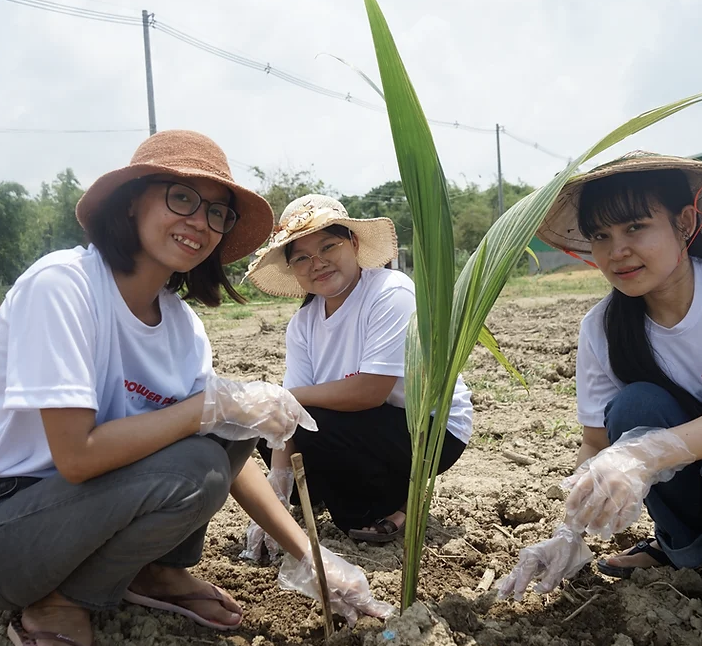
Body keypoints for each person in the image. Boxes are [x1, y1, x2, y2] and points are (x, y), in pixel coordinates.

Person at [0, 132, 392, 646]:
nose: (199, 223)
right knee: (194, 461)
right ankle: (60, 600)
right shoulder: (65, 286)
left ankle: (157, 572)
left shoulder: (183, 327)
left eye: (217, 213)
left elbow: (231, 450)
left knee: (233, 430)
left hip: (94, 514)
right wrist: (201, 410)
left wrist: (312, 558)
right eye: (181, 198)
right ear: (133, 201)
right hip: (21, 524)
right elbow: (74, 457)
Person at [499, 152, 702, 601]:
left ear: (685, 223)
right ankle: (686, 550)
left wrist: (649, 454)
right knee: (635, 408)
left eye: (635, 227)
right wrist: (568, 532)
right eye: (601, 236)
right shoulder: (603, 327)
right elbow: (596, 442)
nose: (617, 251)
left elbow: (643, 454)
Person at [242, 194, 473, 553]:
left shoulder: (389, 292)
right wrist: (278, 490)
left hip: (427, 430)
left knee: (319, 444)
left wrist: (283, 397)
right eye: (301, 258)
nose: (316, 263)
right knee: (264, 423)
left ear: (353, 243)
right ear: (293, 269)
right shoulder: (303, 323)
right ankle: (325, 493)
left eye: (328, 247)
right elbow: (284, 415)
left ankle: (401, 503)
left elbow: (371, 391)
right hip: (360, 426)